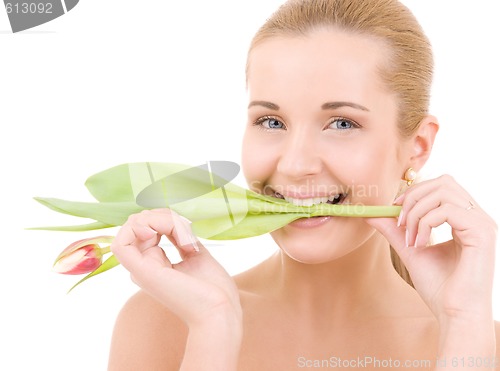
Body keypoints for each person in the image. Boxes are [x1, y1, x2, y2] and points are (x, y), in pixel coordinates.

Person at [107, 0, 499, 369]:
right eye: (271, 122)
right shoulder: (163, 322)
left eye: (342, 123)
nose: (295, 165)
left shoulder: (480, 344)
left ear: (417, 147)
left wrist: (463, 323)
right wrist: (214, 329)